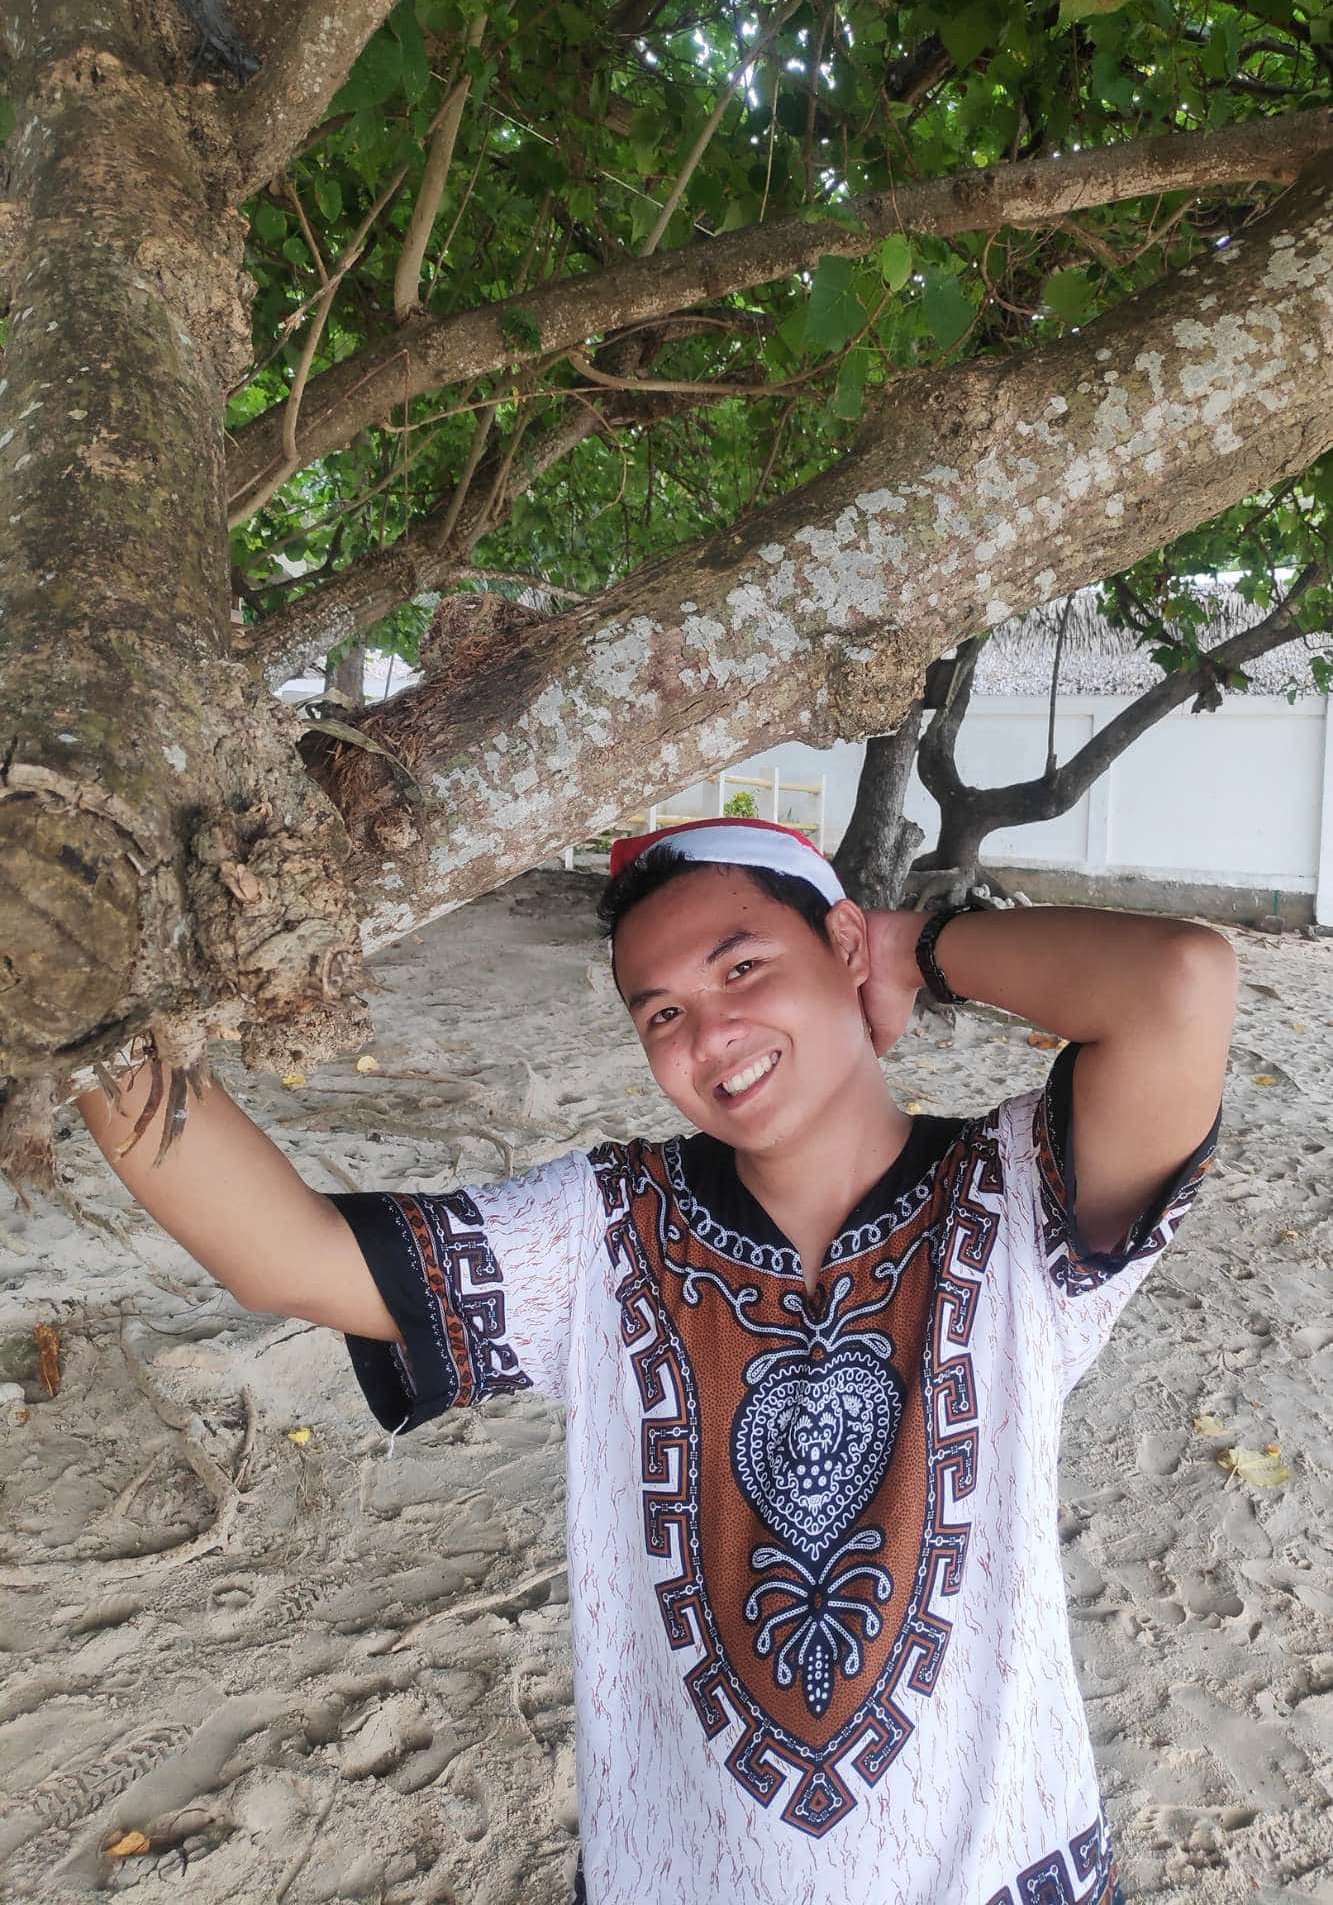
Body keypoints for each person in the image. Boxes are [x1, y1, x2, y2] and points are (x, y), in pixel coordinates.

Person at [77, 816, 1236, 1905]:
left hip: (997, 1870)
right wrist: (81, 1005)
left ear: (838, 944)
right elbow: (290, 1255)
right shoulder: (603, 1227)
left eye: (741, 970)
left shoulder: (1020, 1201)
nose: (711, 1037)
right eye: (662, 1013)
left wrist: (910, 944)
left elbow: (1178, 985)